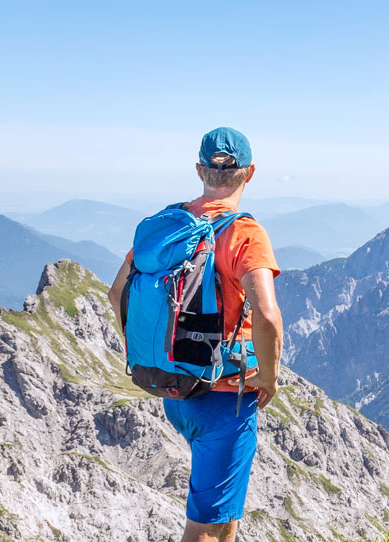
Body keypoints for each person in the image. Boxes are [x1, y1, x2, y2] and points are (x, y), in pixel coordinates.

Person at [108, 127, 282, 542]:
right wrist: (270, 377)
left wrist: (157, 351)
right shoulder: (243, 233)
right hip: (222, 399)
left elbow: (117, 294)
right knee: (204, 530)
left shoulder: (169, 227)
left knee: (223, 518)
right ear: (250, 172)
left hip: (175, 387)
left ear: (200, 169)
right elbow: (268, 316)